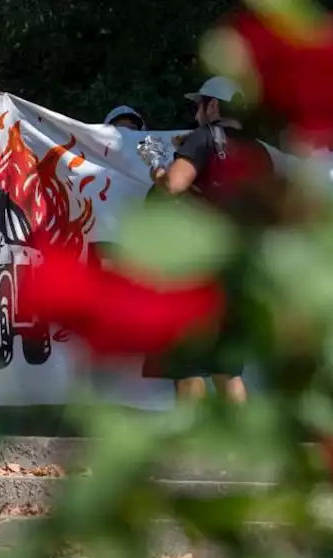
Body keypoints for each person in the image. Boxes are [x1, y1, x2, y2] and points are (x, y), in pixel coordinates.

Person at [144, 76, 275, 405]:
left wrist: (157, 166)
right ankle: (248, 453)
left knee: (188, 366)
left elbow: (174, 185)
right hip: (239, 272)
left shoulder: (203, 138)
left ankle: (195, 454)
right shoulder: (258, 151)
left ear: (213, 105)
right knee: (227, 370)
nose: (196, 112)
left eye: (199, 104)